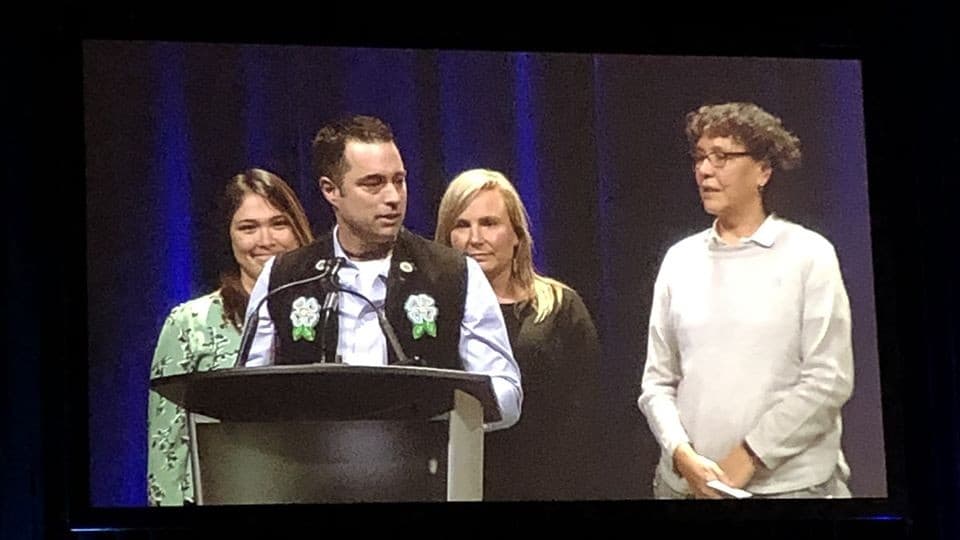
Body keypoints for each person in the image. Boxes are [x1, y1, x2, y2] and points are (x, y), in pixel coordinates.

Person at [244, 115, 522, 432]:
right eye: (373, 183)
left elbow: (506, 393)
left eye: (399, 181)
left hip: (424, 467)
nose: (392, 197)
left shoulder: (454, 273)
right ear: (330, 190)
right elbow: (246, 394)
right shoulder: (284, 276)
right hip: (307, 468)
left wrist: (438, 415)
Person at [637, 102, 854, 499]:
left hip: (790, 489)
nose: (704, 170)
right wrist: (681, 453)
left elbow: (828, 380)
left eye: (722, 157)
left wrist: (749, 456)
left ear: (763, 171)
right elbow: (657, 382)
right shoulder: (680, 259)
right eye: (700, 157)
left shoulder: (808, 255)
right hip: (685, 487)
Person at [147, 169, 314, 506]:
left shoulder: (331, 309)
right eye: (248, 227)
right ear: (229, 237)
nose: (266, 240)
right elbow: (166, 450)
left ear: (299, 229)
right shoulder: (189, 323)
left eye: (279, 223)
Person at [435, 169, 603, 500]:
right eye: (462, 225)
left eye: (489, 223)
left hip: (550, 484)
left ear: (516, 234)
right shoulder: (429, 312)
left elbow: (589, 412)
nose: (475, 238)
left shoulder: (559, 306)